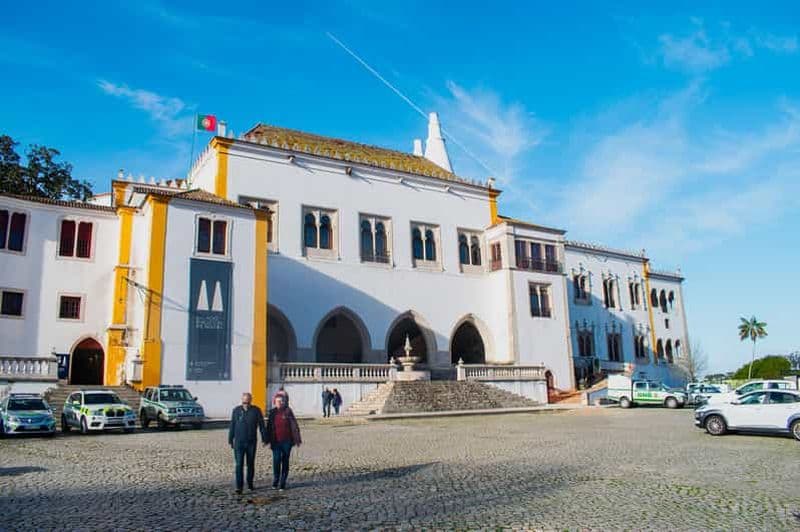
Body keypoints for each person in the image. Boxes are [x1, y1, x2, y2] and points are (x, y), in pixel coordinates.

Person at [228, 392, 268, 494]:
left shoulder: (256, 410)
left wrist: (264, 439)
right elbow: (232, 425)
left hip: (251, 442)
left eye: (247, 402)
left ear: (251, 401)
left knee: (250, 464)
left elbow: (261, 426)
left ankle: (250, 484)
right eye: (244, 402)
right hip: (239, 442)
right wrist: (230, 439)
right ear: (242, 401)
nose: (246, 404)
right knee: (239, 464)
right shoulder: (236, 410)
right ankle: (239, 486)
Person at [266, 394, 302, 490]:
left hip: (287, 441)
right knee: (276, 460)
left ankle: (283, 482)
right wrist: (267, 439)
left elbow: (294, 425)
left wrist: (297, 439)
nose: (280, 403)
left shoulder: (288, 411)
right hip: (276, 441)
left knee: (285, 461)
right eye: (278, 401)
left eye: (282, 401)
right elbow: (269, 427)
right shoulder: (272, 412)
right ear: (275, 402)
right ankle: (276, 480)